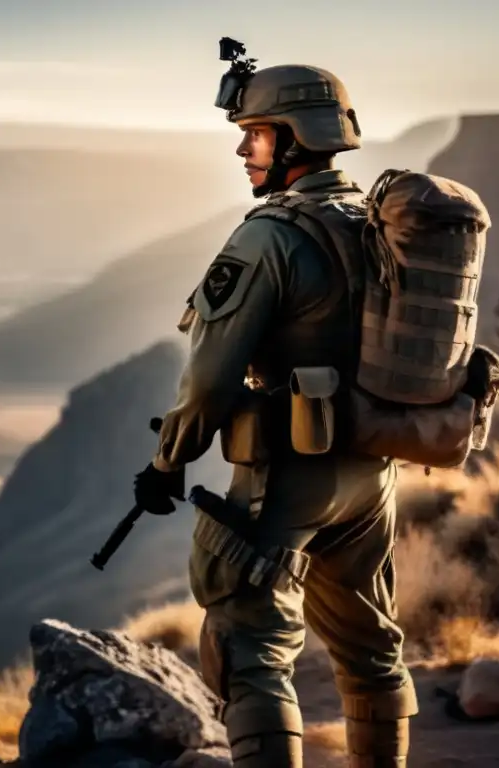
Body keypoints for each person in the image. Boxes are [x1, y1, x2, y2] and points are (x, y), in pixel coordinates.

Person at [131, 60, 418, 767]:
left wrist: (167, 464)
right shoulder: (376, 224)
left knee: (248, 647)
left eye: (253, 135)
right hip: (371, 475)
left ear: (293, 138)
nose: (242, 151)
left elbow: (207, 380)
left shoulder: (271, 236)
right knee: (371, 648)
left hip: (290, 476)